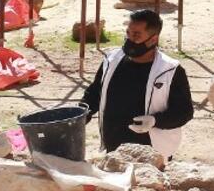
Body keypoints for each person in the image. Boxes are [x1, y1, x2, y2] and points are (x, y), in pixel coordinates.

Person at [81, 9, 194, 157]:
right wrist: (82, 113)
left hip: (153, 152)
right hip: (113, 148)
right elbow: (95, 92)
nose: (129, 39)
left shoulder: (170, 70)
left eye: (136, 35)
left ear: (153, 39)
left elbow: (184, 111)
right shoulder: (111, 60)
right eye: (128, 33)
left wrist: (155, 120)